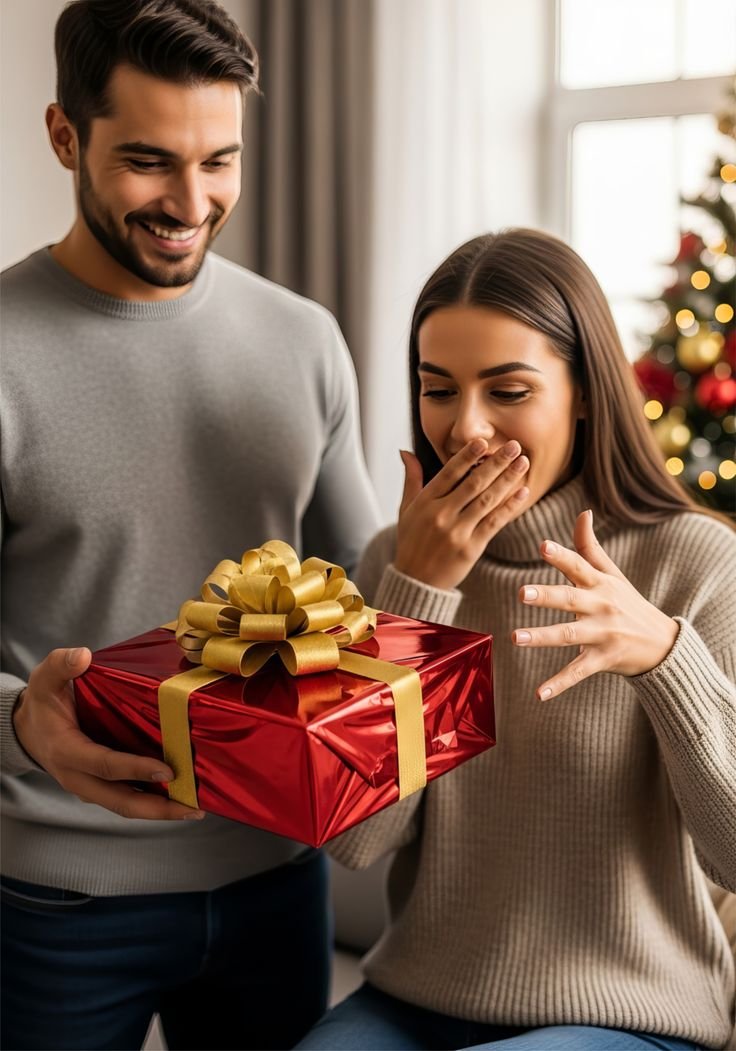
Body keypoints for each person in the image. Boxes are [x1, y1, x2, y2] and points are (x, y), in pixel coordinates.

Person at [0, 2, 381, 1049]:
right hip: (54, 904)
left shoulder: (303, 338)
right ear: (65, 137)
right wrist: (19, 720)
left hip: (276, 879)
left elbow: (365, 587)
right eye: (148, 161)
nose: (191, 200)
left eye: (220, 160)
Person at [295, 229, 736, 1051]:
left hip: (629, 1012)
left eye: (507, 391)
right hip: (418, 993)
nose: (465, 429)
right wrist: (419, 597)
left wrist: (666, 658)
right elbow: (358, 841)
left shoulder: (693, 559)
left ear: (583, 393)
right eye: (438, 389)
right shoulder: (398, 558)